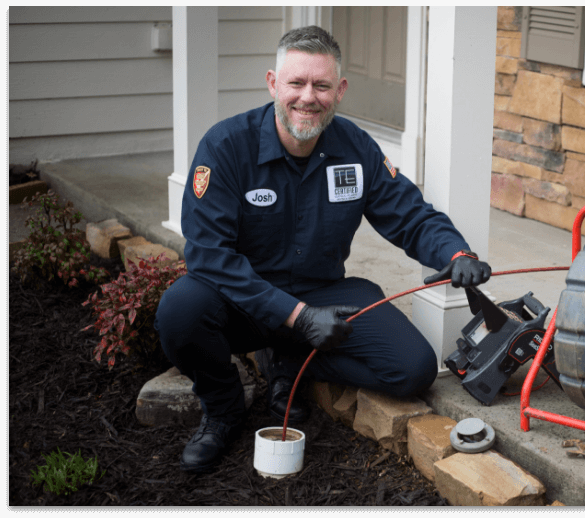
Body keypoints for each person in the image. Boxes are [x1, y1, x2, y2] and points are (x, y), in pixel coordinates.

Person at [154, 25, 490, 473]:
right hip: (245, 303)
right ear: (274, 83)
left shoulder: (356, 148)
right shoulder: (226, 147)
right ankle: (223, 408)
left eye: (321, 85)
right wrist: (295, 316)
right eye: (296, 83)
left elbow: (409, 215)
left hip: (325, 295)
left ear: (340, 90)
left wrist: (456, 254)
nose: (307, 97)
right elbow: (209, 257)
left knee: (413, 369)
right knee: (180, 310)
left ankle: (291, 363)